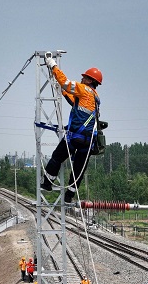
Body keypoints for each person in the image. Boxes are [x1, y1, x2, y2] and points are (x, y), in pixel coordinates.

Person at [39, 55, 104, 204]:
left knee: (57, 157)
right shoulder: (95, 97)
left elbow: (66, 83)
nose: (82, 79)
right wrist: (62, 90)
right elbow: (75, 103)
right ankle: (69, 196)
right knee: (78, 169)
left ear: (90, 80)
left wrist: (53, 65)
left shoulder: (83, 89)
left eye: (85, 77)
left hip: (75, 137)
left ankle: (47, 182)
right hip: (88, 142)